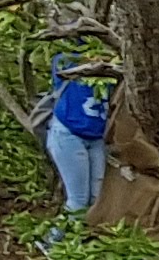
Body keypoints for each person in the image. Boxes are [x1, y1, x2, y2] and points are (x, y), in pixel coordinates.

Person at [32, 53, 112, 218]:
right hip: (68, 133)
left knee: (97, 198)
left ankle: (81, 238)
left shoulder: (112, 67)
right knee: (78, 201)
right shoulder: (66, 61)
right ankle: (53, 241)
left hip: (95, 137)